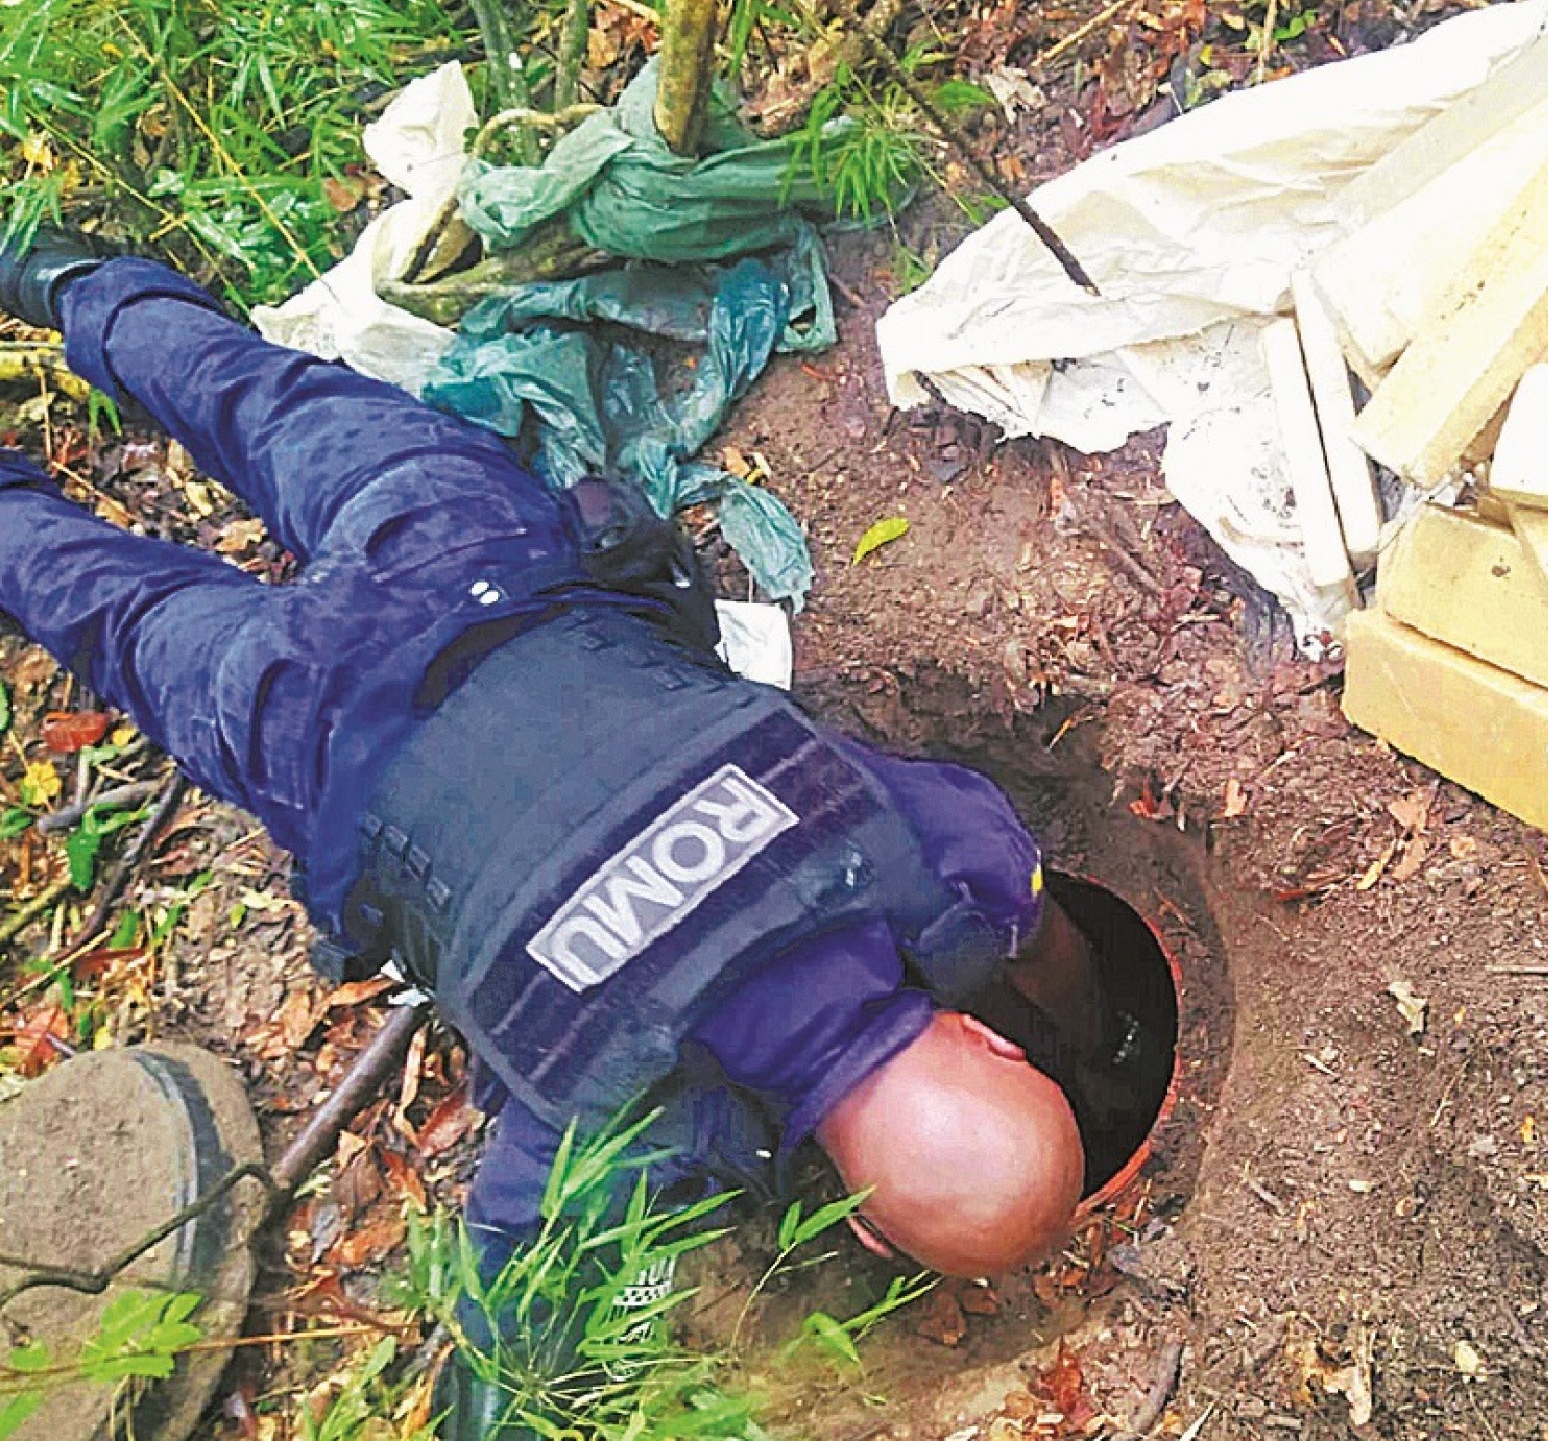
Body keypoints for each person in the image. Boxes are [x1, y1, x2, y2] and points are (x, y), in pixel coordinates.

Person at [0, 234, 1148, 1434]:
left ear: (989, 1042)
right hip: (309, 730)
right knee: (100, 603)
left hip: (460, 555)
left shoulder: (915, 862)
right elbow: (513, 1344)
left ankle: (59, 275)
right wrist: (639, 1307)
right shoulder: (624, 1129)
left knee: (247, 395)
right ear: (859, 1228)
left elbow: (1038, 926)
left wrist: (1082, 1036)